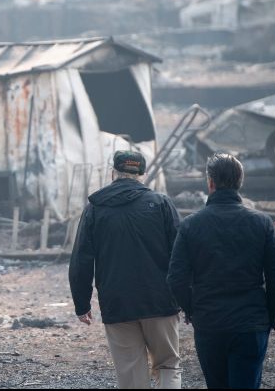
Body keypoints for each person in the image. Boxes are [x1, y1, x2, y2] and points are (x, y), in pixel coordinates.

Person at [167, 153, 275, 389]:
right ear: (240, 181)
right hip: (251, 322)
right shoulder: (262, 222)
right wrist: (271, 316)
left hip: (209, 322)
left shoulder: (192, 224)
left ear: (210, 182)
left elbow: (176, 278)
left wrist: (192, 310)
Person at [69, 150, 182, 389]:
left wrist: (82, 303)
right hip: (160, 301)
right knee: (168, 365)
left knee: (130, 370)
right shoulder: (161, 204)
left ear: (113, 173)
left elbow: (81, 259)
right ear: (143, 174)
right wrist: (186, 298)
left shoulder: (95, 208)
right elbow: (180, 256)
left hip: (117, 303)